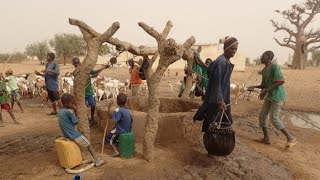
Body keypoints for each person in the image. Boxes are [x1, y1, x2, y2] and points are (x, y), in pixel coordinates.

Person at [248, 51, 297, 148]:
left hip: (278, 96)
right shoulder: (264, 70)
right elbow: (264, 85)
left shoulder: (275, 67)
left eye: (263, 56)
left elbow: (281, 81)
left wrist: (267, 90)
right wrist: (254, 87)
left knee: (274, 117)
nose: (261, 57)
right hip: (270, 95)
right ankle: (266, 138)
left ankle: (291, 138)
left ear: (269, 58)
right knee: (262, 115)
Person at [193, 36, 239, 132]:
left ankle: (215, 143)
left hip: (222, 96)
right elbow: (216, 83)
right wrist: (219, 101)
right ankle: (212, 143)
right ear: (226, 48)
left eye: (236, 49)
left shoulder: (225, 61)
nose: (234, 51)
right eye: (232, 48)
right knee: (213, 123)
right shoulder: (221, 62)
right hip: (217, 99)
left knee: (222, 122)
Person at [58, 93, 104, 166]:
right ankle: (97, 160)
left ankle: (79, 158)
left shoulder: (60, 111)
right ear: (66, 104)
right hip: (73, 134)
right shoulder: (69, 112)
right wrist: (75, 110)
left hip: (66, 134)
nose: (73, 104)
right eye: (71, 103)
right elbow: (76, 121)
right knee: (88, 144)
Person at [71, 57, 110, 126]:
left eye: (77, 63)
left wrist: (104, 68)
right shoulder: (75, 72)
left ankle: (91, 118)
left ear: (79, 62)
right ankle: (87, 120)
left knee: (93, 105)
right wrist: (91, 77)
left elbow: (95, 72)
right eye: (75, 64)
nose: (77, 65)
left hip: (88, 91)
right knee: (83, 107)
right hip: (81, 93)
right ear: (73, 64)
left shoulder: (86, 69)